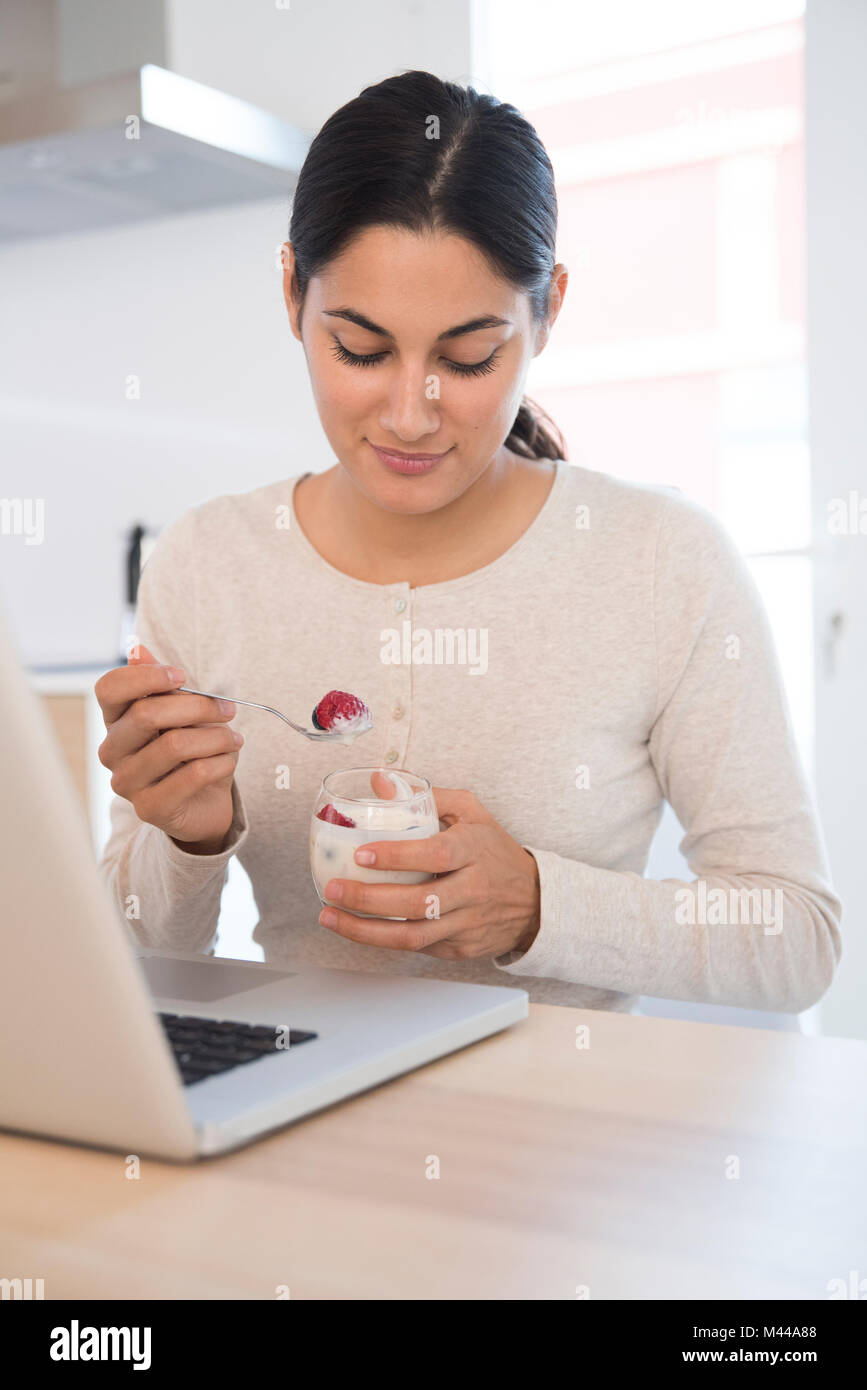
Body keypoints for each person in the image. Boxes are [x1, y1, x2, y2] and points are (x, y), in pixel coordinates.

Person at [96, 70, 841, 1014]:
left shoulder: (661, 561)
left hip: (569, 1140)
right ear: (292, 295)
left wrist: (538, 909)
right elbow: (135, 964)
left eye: (468, 358)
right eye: (361, 350)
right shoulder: (209, 564)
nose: (411, 414)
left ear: (548, 313)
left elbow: (795, 941)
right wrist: (188, 841)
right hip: (285, 1130)